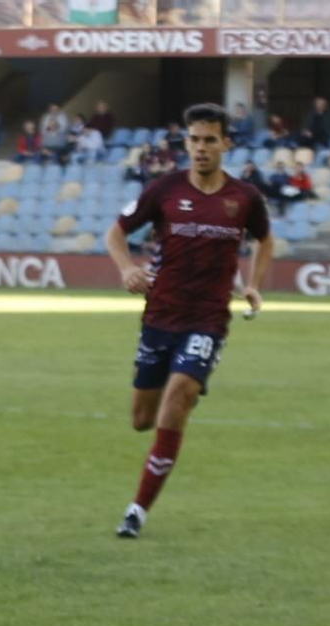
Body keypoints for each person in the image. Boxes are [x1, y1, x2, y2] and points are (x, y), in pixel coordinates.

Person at [103, 103, 272, 540]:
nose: (200, 148)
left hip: (209, 318)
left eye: (209, 140)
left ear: (225, 144)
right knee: (142, 419)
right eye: (194, 140)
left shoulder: (244, 198)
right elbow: (116, 232)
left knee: (178, 395)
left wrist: (253, 284)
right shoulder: (163, 189)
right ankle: (179, 399)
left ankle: (137, 510)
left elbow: (265, 238)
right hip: (160, 315)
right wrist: (126, 268)